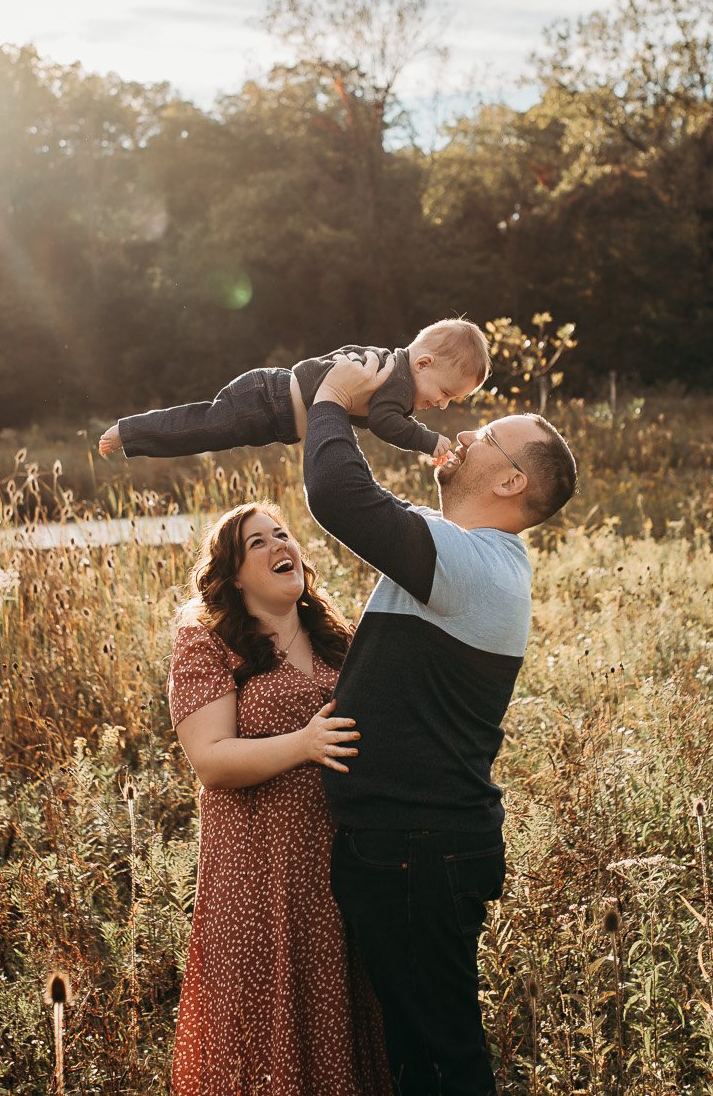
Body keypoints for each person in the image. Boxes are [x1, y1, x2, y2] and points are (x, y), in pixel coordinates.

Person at [302, 350, 578, 1095]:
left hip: (417, 851)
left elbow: (336, 492)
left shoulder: (473, 565)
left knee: (442, 1063)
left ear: (511, 479)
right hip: (411, 848)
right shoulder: (467, 554)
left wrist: (331, 395)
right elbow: (364, 500)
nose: (465, 433)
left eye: (487, 432)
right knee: (422, 1059)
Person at [167, 501, 393, 1096]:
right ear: (234, 575)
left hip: (342, 861)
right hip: (256, 867)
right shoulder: (208, 645)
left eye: (283, 534)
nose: (278, 546)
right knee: (262, 1025)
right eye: (257, 543)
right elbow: (211, 759)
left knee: (339, 1011)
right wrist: (304, 744)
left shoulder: (336, 639)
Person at [100, 319, 490, 465]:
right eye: (445, 393)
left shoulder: (395, 376)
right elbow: (387, 423)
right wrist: (430, 442)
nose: (441, 404)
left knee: (205, 426)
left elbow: (379, 417)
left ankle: (133, 435)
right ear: (423, 364)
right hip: (268, 400)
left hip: (270, 402)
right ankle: (129, 432)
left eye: (451, 402)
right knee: (201, 428)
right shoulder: (398, 382)